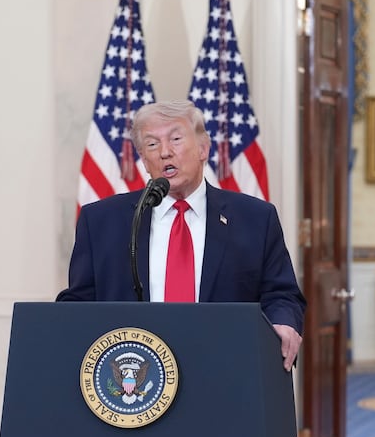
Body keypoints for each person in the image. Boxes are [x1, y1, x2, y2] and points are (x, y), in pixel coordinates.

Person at [57, 100, 306, 371]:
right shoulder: (102, 222)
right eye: (152, 144)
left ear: (203, 148)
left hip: (226, 371)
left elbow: (281, 294)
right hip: (136, 381)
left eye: (176, 139)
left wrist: (283, 323)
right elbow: (79, 304)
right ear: (143, 159)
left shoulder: (255, 218)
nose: (165, 152)